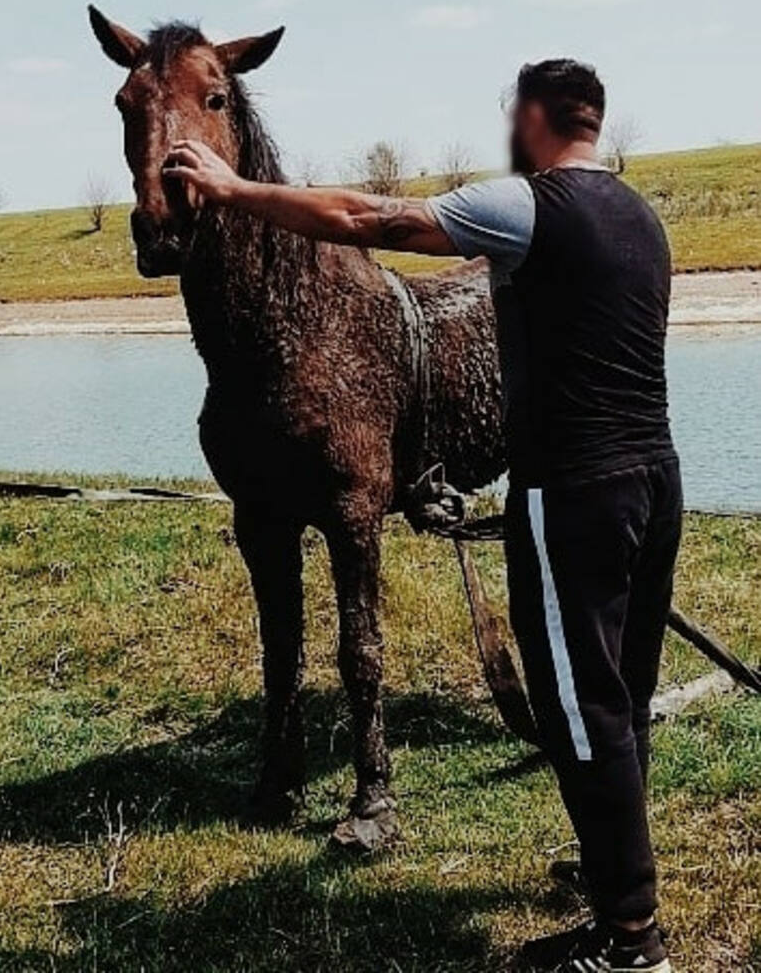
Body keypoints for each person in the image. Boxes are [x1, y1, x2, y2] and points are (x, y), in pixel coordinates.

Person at [164, 58, 680, 973]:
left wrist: (234, 188)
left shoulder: (531, 206)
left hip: (574, 493)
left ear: (534, 117)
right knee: (621, 692)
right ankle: (611, 878)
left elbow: (369, 219)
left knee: (576, 704)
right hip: (654, 479)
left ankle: (629, 940)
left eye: (509, 113)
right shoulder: (638, 215)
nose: (505, 128)